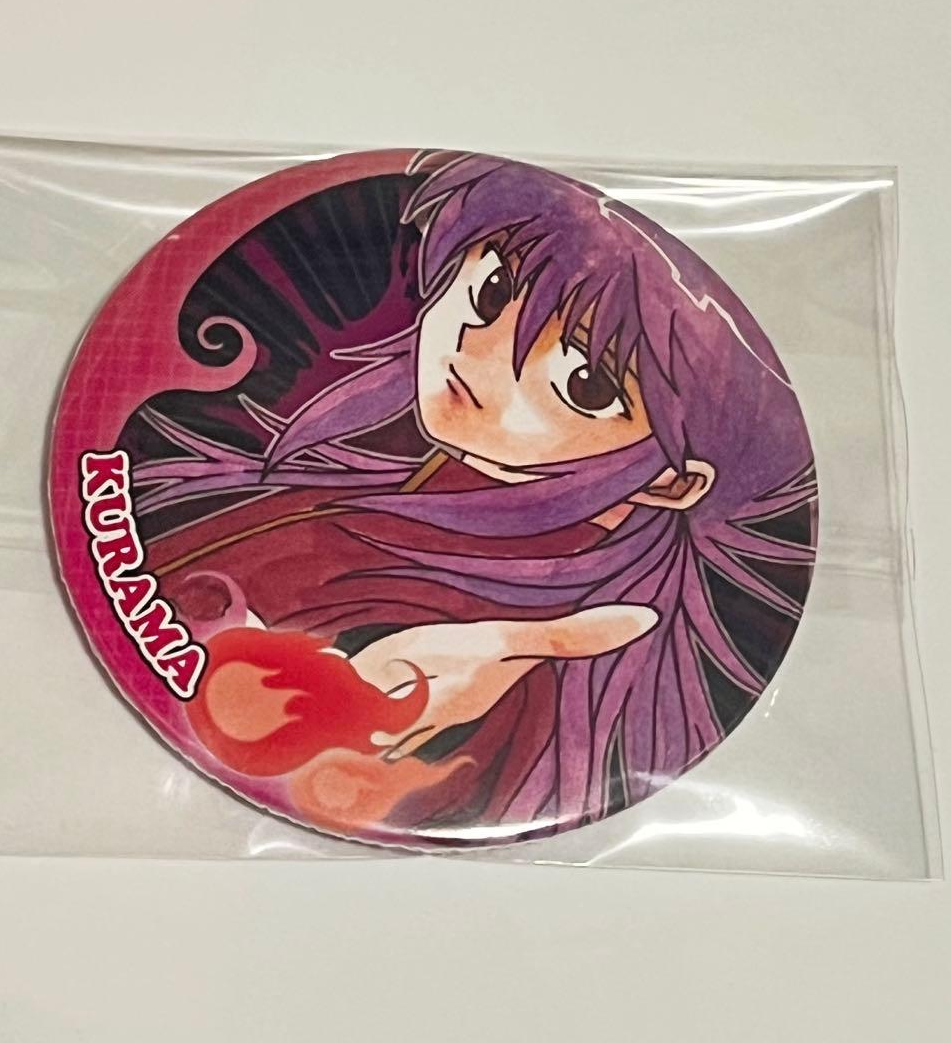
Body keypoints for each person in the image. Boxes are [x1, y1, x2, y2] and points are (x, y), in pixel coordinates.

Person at [131, 151, 817, 841]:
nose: (477, 353)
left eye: (583, 384)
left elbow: (407, 779)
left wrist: (476, 675)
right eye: (490, 293)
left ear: (673, 481)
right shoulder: (397, 468)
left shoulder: (552, 630)